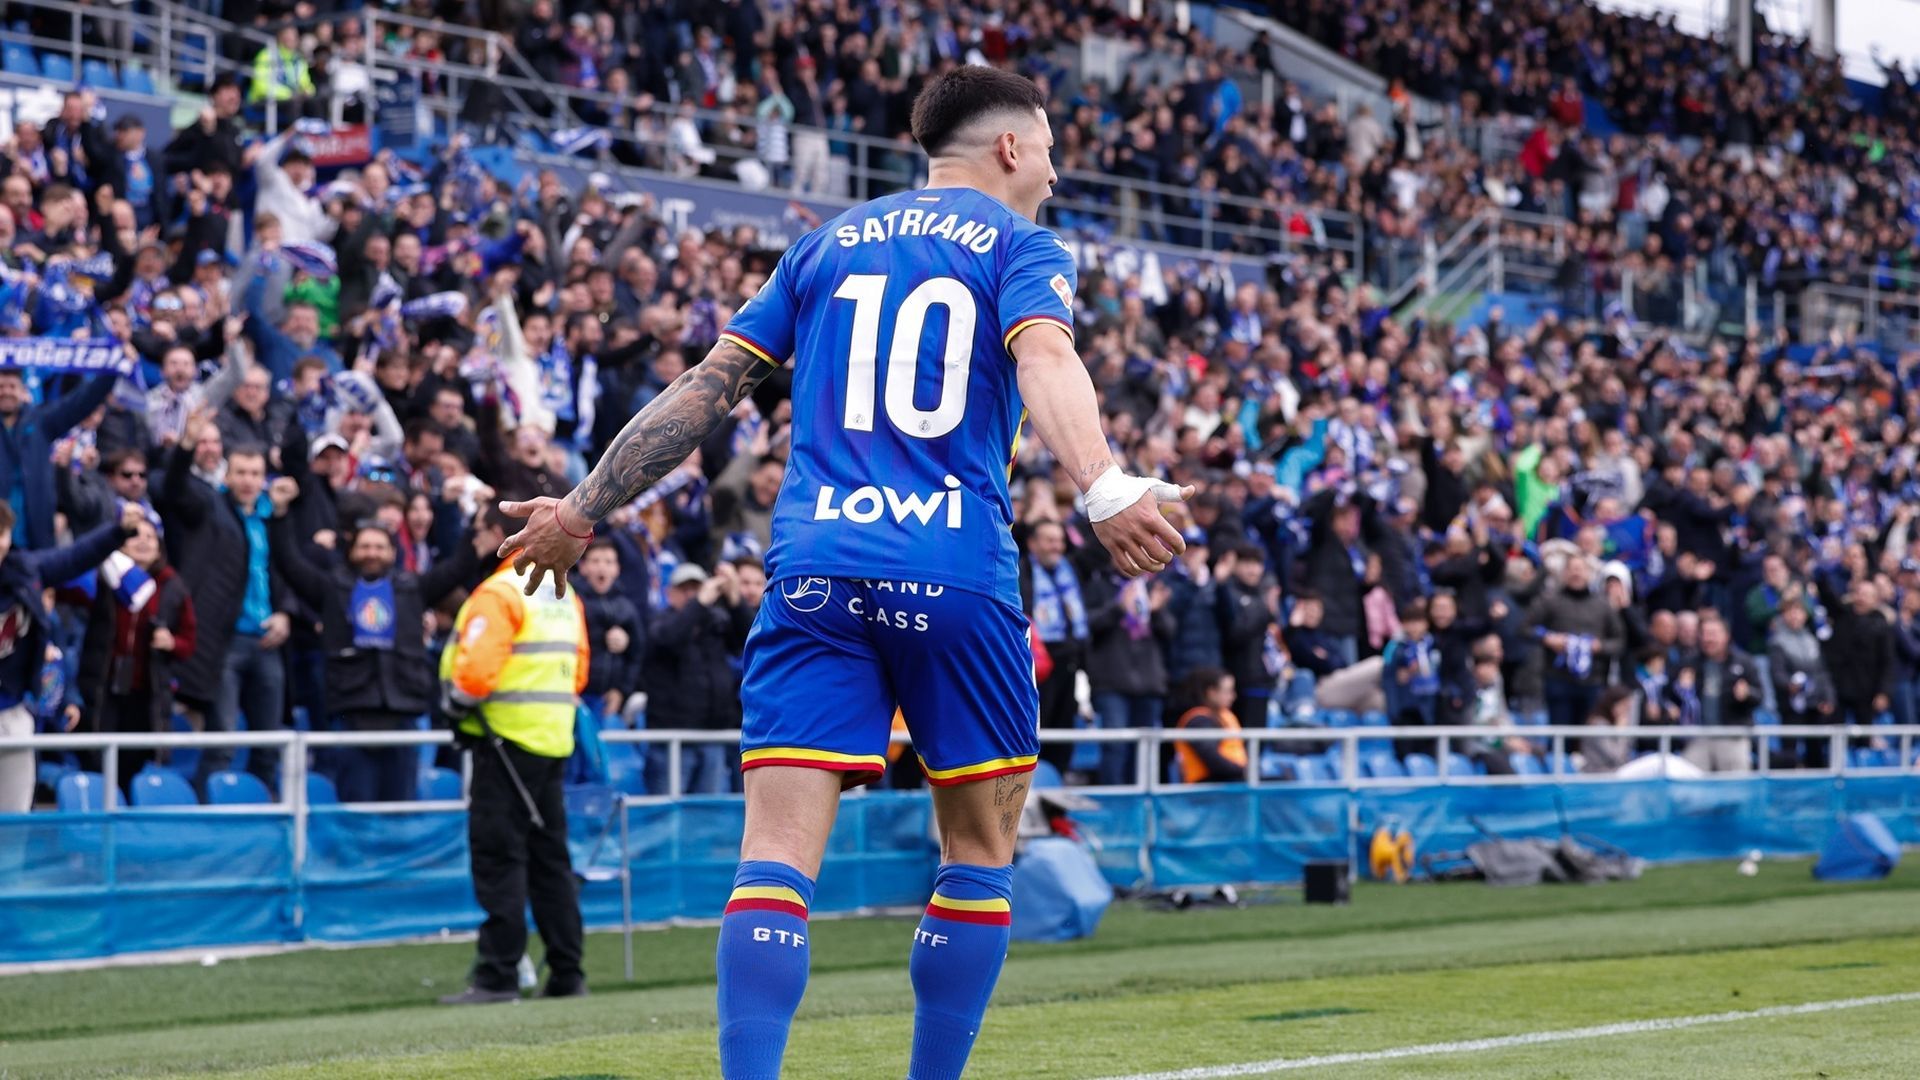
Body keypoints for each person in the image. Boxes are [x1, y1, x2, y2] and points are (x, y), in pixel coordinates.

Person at [493, 66, 1189, 1078]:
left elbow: (707, 388)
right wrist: (1104, 485)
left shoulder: (822, 246)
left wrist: (579, 509)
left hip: (816, 571)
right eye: (1046, 145)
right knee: (979, 856)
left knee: (774, 860)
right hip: (954, 573)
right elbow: (1043, 362)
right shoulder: (1023, 246)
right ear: (1008, 148)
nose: (1052, 166)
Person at [266, 478, 488, 803]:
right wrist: (280, 513)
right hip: (351, 712)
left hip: (403, 712)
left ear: (392, 552)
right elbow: (289, 562)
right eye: (365, 546)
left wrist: (473, 521)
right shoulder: (331, 589)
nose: (372, 553)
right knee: (358, 808)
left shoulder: (413, 589)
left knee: (401, 808)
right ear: (351, 550)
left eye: (380, 547)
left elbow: (458, 567)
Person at [436, 552, 590, 1005]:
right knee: (550, 861)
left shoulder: (500, 591)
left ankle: (498, 976)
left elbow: (474, 675)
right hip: (552, 739)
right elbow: (580, 673)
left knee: (499, 858)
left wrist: (457, 703)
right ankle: (567, 972)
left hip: (502, 740)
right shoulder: (567, 596)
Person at [156, 411, 293, 795]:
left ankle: (269, 826)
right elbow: (172, 488)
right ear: (227, 476)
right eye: (241, 473)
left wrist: (285, 613)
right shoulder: (208, 508)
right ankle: (209, 827)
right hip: (225, 641)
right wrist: (186, 446)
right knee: (222, 742)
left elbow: (284, 572)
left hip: (267, 642)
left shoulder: (271, 519)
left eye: (255, 473)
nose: (248, 481)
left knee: (270, 744)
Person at [0, 501, 145, 811]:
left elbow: (75, 557)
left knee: (14, 818)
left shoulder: (24, 570)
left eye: (1, 534)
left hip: (11, 711)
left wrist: (119, 531)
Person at [78, 517, 195, 795]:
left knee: (134, 766)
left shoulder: (173, 586)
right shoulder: (102, 578)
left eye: (150, 537)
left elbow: (189, 643)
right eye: (135, 536)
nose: (143, 542)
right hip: (103, 691)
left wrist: (171, 642)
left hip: (147, 695)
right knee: (100, 764)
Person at [1172, 667, 1247, 783]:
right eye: (1227, 691)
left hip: (1231, 782)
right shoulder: (1198, 721)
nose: (1233, 696)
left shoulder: (1223, 716)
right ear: (1211, 692)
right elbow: (1214, 761)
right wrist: (1245, 772)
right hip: (1207, 788)